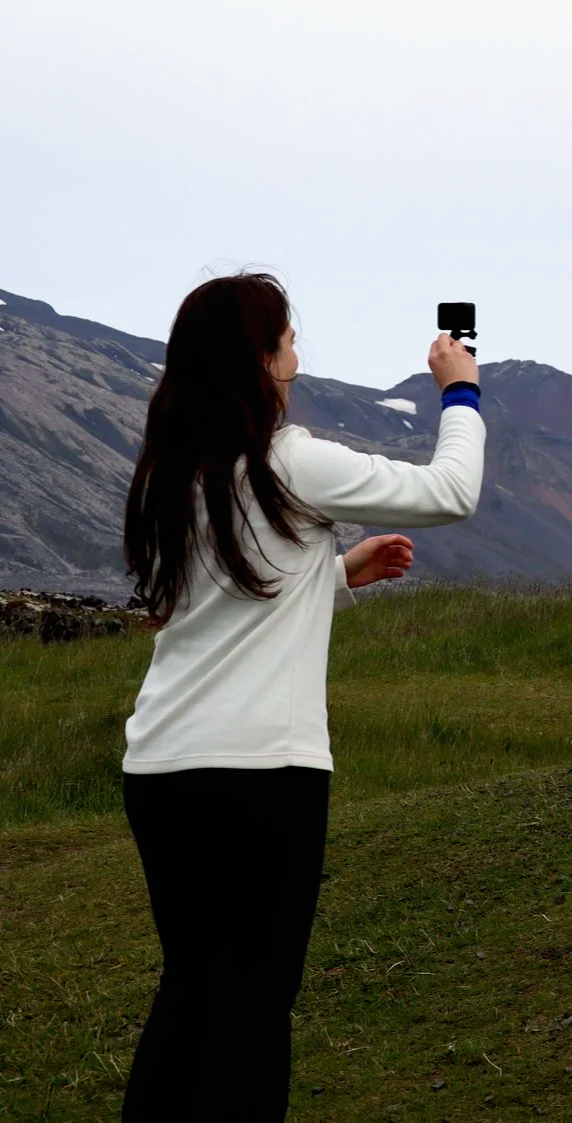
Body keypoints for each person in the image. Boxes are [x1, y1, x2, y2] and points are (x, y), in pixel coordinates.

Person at [120, 270, 484, 1123]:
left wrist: (337, 574)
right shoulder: (289, 459)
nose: (296, 355)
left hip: (161, 769)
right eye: (286, 340)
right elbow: (450, 493)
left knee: (191, 988)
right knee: (252, 1001)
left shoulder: (170, 472)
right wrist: (460, 390)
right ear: (258, 357)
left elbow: (214, 605)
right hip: (263, 776)